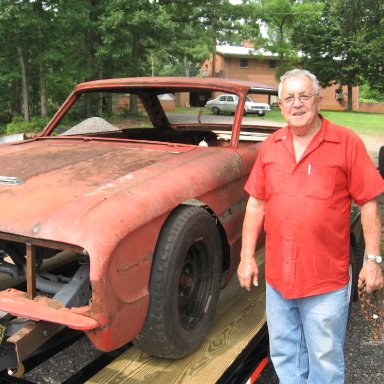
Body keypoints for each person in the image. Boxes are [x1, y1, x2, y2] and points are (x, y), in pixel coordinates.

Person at [237, 68, 384, 384]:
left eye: (304, 96)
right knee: (285, 355)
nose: (297, 104)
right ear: (280, 105)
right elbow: (256, 203)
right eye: (289, 97)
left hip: (325, 281)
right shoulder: (271, 146)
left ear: (318, 100)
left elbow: (369, 202)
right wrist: (246, 257)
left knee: (324, 360)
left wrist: (372, 261)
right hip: (279, 280)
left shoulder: (346, 143)